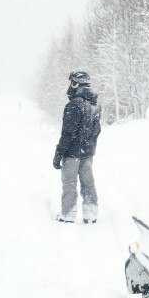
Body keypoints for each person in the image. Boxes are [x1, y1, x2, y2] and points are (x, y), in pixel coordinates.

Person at [53, 70, 101, 223]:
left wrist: (59, 153)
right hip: (87, 153)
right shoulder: (95, 105)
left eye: (72, 83)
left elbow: (67, 133)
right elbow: (97, 131)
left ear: (76, 84)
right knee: (88, 183)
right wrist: (89, 146)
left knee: (70, 183)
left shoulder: (74, 105)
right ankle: (91, 214)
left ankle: (67, 215)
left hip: (72, 153)